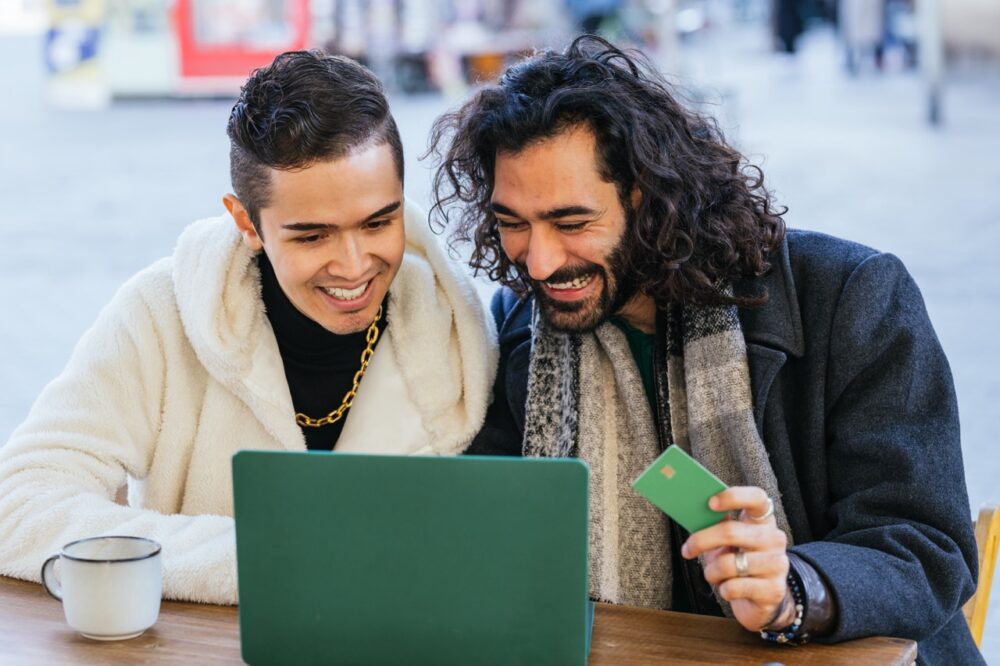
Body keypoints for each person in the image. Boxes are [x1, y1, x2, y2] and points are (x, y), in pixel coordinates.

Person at [428, 35, 981, 664]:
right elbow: (484, 530)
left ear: (647, 197)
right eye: (512, 223)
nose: (539, 260)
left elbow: (927, 546)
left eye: (572, 223)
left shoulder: (852, 297)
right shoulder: (521, 325)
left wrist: (796, 589)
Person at [0, 50, 496, 605]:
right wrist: (261, 557)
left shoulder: (459, 333)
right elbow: (18, 501)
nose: (354, 265)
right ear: (246, 223)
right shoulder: (160, 314)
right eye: (312, 236)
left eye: (378, 222)